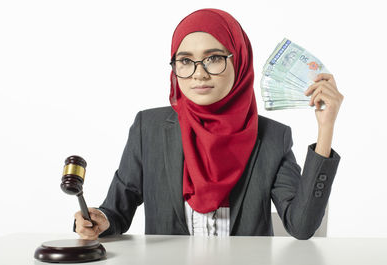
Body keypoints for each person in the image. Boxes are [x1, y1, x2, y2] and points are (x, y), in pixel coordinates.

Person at [74, 8, 343, 240]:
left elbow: (302, 226)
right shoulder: (149, 128)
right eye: (186, 61)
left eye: (214, 58)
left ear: (240, 60)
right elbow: (117, 212)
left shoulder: (273, 137)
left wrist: (325, 128)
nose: (199, 73)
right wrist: (99, 221)